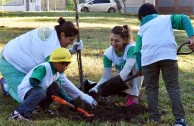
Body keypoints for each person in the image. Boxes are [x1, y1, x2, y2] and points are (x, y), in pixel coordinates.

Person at [0, 17, 97, 109]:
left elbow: (51, 53)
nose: (71, 43)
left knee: (40, 88)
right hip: (10, 62)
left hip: (19, 56)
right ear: (62, 35)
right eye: (71, 40)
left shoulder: (52, 32)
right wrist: (83, 96)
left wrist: (71, 51)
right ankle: (6, 85)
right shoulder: (52, 47)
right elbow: (61, 79)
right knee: (27, 99)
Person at [134, 3, 194, 125]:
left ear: (142, 17)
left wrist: (139, 68)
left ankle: (154, 118)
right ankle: (179, 120)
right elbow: (184, 19)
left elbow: (137, 51)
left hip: (148, 59)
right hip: (168, 56)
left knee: (151, 89)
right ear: (155, 12)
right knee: (173, 87)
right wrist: (192, 37)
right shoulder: (167, 18)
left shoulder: (142, 29)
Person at [10, 48, 97, 120]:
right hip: (26, 91)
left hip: (38, 92)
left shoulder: (56, 74)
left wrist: (71, 102)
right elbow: (32, 81)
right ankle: (18, 114)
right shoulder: (44, 67)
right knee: (41, 92)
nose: (66, 68)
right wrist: (42, 89)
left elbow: (61, 91)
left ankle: (39, 108)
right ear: (57, 63)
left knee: (56, 86)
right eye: (65, 65)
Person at [89, 25, 143, 106]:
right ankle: (126, 91)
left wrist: (112, 85)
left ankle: (134, 95)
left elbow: (126, 71)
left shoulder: (132, 48)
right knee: (113, 83)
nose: (113, 43)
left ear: (124, 40)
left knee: (136, 64)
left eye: (117, 41)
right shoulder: (108, 53)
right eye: (111, 40)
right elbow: (105, 77)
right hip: (126, 79)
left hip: (140, 77)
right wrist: (95, 89)